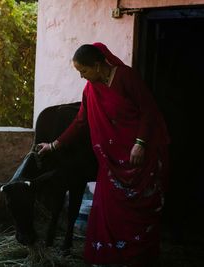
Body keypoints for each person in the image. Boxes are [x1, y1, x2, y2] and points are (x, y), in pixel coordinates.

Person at [37, 42, 170, 267]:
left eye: (84, 71)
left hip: (138, 157)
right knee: (108, 213)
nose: (81, 76)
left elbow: (149, 110)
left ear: (98, 65)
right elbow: (80, 122)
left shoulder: (127, 77)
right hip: (111, 163)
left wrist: (140, 143)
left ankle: (137, 258)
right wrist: (54, 145)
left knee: (139, 213)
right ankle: (110, 257)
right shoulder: (90, 89)